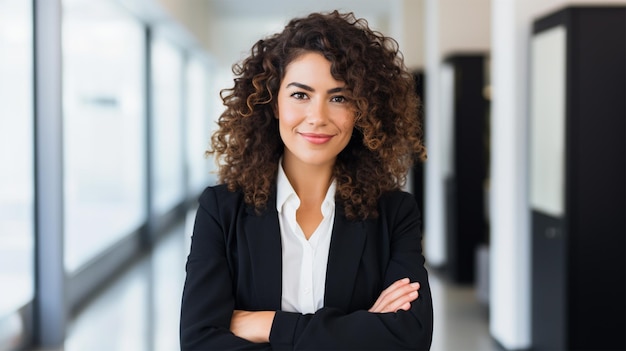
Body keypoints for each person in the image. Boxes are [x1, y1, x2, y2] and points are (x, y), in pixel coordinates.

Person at [180, 10, 433, 350]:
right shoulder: (221, 210)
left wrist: (267, 324)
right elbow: (200, 342)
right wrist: (360, 330)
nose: (317, 117)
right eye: (301, 95)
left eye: (339, 98)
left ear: (361, 110)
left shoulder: (395, 213)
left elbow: (410, 337)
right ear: (274, 104)